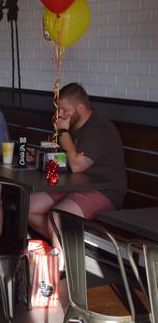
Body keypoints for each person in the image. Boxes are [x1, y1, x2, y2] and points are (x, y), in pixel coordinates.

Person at [28, 82, 126, 250]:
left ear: (80, 108)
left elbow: (77, 166)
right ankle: (66, 250)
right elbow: (67, 159)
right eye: (59, 109)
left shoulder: (99, 128)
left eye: (65, 110)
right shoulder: (74, 125)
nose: (60, 114)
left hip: (106, 190)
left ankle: (62, 266)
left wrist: (63, 133)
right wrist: (39, 157)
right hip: (76, 185)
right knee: (28, 206)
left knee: (58, 217)